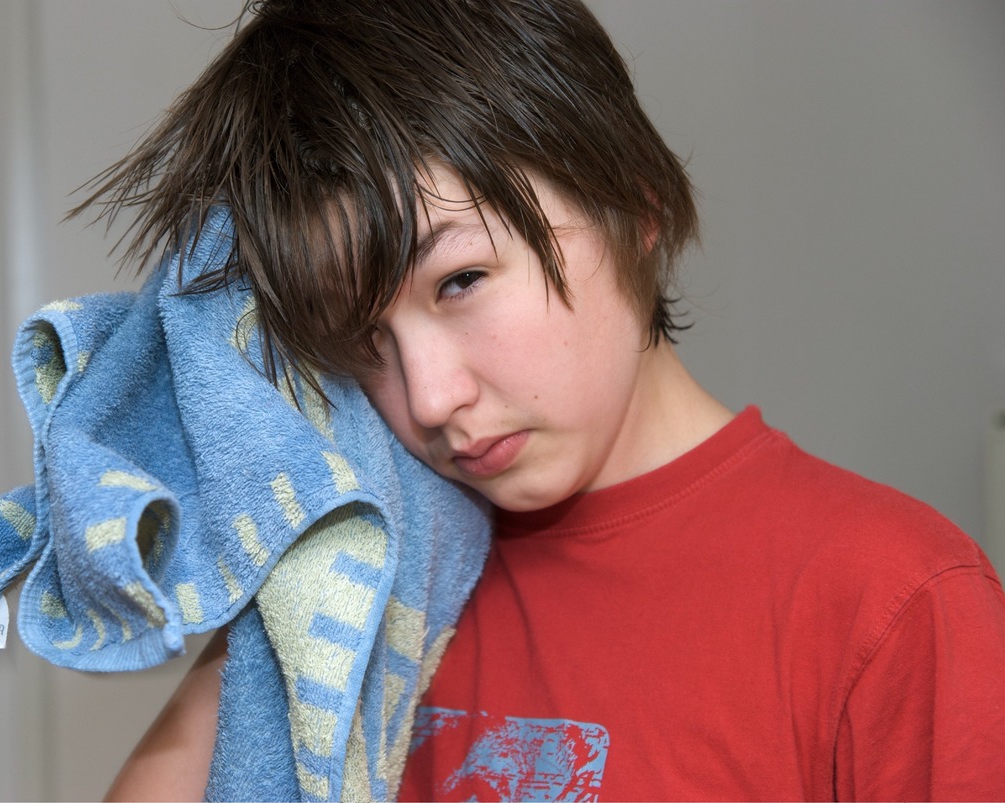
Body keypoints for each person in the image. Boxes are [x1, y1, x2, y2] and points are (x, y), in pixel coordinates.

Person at [73, 0, 1005, 799]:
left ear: (633, 208)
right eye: (364, 344)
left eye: (461, 280)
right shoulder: (370, 571)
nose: (430, 397)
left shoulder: (893, 601)